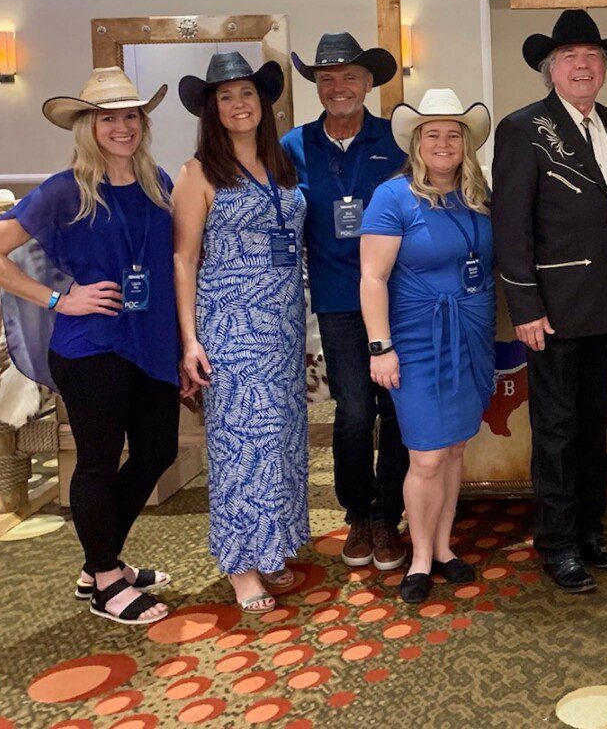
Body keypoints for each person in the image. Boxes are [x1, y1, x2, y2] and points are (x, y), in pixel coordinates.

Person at [0, 68, 178, 625]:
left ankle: (98, 560)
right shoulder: (64, 189)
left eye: (131, 115)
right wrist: (60, 299)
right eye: (109, 118)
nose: (123, 127)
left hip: (153, 339)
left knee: (159, 451)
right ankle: (107, 580)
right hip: (91, 345)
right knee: (99, 462)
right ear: (88, 126)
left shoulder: (158, 181)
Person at [493, 9, 607, 594]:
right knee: (556, 427)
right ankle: (556, 541)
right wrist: (525, 307)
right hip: (552, 308)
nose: (583, 65)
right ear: (550, 69)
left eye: (593, 57)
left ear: (604, 69)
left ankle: (591, 527)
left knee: (597, 422)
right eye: (571, 57)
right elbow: (512, 226)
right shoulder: (523, 127)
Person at [173, 53, 309, 614]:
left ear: (263, 103)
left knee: (278, 441)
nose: (239, 105)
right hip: (229, 325)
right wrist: (189, 340)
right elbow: (184, 259)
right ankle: (239, 564)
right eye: (226, 97)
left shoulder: (283, 165)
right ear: (212, 110)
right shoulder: (199, 171)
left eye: (247, 94)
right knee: (239, 444)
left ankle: (271, 545)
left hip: (282, 324)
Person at [360, 89, 496, 604]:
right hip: (416, 339)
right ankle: (418, 557)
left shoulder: (477, 195)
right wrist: (380, 348)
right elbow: (372, 278)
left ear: (466, 143)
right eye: (433, 134)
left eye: (453, 134)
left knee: (456, 446)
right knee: (426, 456)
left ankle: (443, 547)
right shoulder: (393, 197)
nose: (443, 143)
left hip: (470, 335)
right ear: (417, 143)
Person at [282, 32, 409, 573]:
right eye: (327, 79)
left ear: (369, 83)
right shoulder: (292, 146)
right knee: (355, 412)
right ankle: (359, 513)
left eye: (350, 78)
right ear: (316, 86)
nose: (339, 88)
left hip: (400, 297)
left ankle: (390, 515)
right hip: (337, 302)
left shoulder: (396, 138)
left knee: (398, 411)